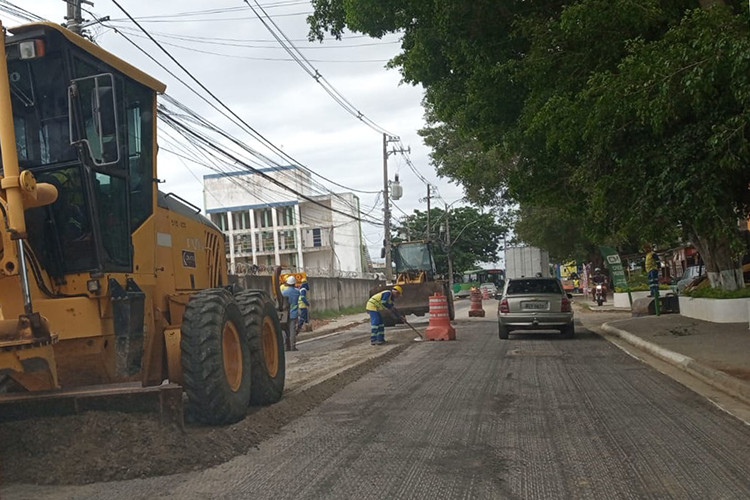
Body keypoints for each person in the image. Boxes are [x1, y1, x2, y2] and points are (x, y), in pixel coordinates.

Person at [281, 275, 301, 351]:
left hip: (285, 314)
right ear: (294, 283)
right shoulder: (297, 292)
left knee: (284, 330)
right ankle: (292, 346)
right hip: (293, 313)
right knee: (292, 330)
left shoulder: (283, 292)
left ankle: (285, 347)